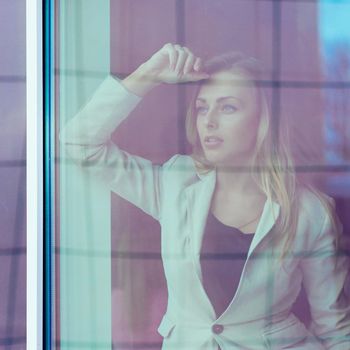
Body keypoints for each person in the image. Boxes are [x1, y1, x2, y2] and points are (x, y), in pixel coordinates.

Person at [61, 43, 350, 349]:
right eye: (202, 107)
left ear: (264, 119)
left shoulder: (309, 212)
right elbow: (80, 143)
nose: (209, 121)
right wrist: (148, 74)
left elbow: (335, 328)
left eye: (228, 107)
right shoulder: (176, 183)